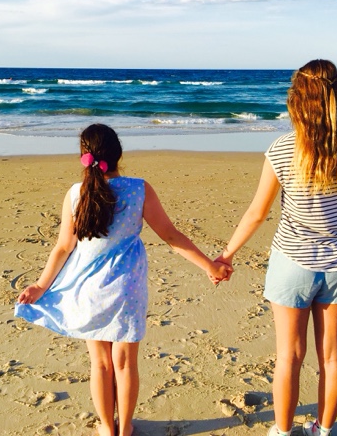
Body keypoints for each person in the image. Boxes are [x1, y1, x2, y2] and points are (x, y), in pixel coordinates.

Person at [15, 123, 229, 436]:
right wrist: (209, 265)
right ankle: (125, 427)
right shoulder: (139, 189)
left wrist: (40, 285)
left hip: (88, 289)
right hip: (127, 288)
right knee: (125, 363)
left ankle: (106, 427)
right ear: (119, 155)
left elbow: (63, 247)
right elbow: (171, 236)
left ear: (84, 156)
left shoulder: (76, 194)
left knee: (100, 363)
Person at [215, 60, 337, 436]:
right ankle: (322, 430)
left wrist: (226, 255)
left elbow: (257, 213)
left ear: (298, 102)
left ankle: (283, 431)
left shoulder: (283, 149)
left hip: (293, 264)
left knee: (289, 356)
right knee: (332, 356)